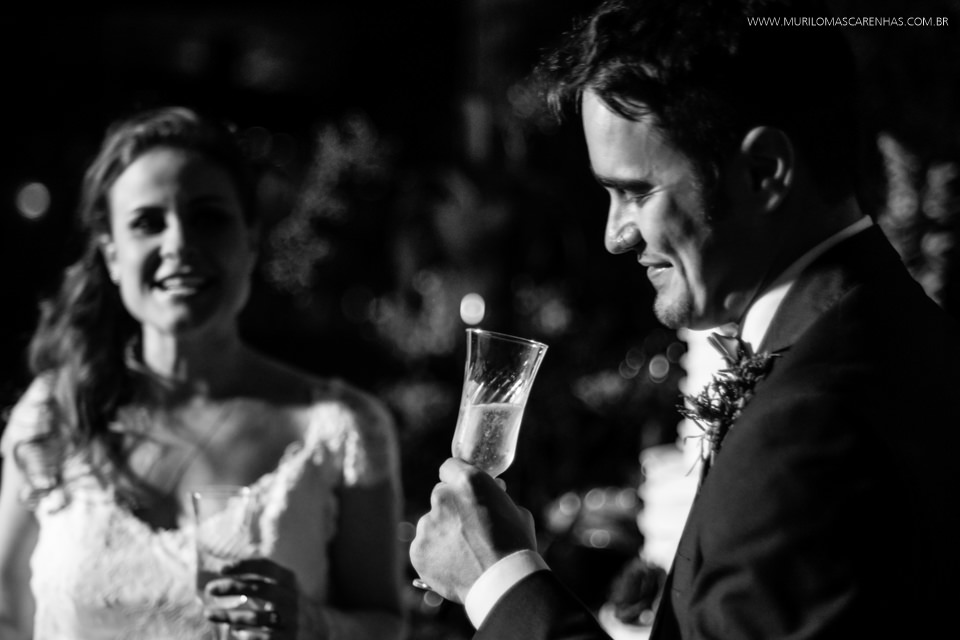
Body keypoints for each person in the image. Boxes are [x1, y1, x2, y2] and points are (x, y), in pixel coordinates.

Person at [409, 1, 960, 638]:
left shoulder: (807, 428)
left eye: (636, 191)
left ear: (764, 173)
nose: (615, 235)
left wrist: (497, 580)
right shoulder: (892, 328)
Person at [0, 107, 405, 640]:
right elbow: (5, 613)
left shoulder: (341, 429)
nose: (179, 244)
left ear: (251, 242)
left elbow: (387, 626)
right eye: (148, 223)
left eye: (208, 217)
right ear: (112, 255)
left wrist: (312, 624)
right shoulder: (54, 413)